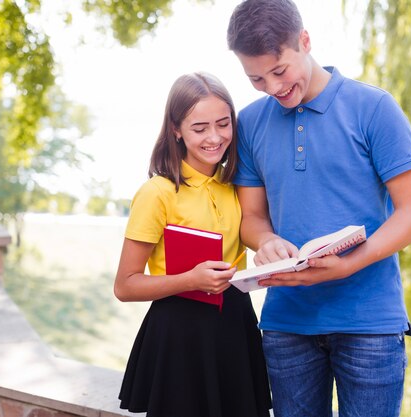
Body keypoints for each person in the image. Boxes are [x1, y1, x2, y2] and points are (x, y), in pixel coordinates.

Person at [226, 1, 411, 417]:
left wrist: (350, 263)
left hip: (369, 324)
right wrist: (265, 241)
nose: (272, 87)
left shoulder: (374, 108)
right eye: (256, 79)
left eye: (279, 71)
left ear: (305, 41)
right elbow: (252, 218)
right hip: (287, 324)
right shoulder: (249, 123)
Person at [113, 72, 272, 417]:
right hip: (179, 336)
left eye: (223, 124)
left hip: (235, 326)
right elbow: (125, 286)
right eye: (200, 129)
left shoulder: (237, 185)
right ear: (176, 129)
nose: (215, 138)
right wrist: (191, 280)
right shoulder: (157, 193)